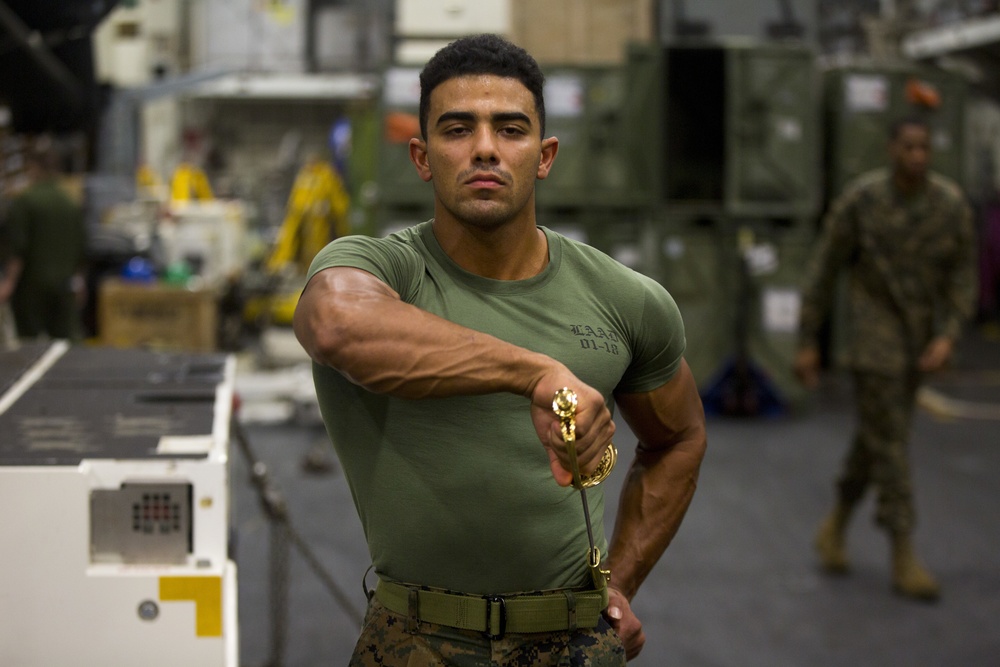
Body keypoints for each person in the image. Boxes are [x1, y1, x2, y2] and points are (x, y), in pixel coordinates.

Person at [294, 34, 707, 665]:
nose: (485, 148)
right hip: (414, 639)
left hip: (572, 635)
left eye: (510, 129)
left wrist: (620, 581)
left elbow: (678, 439)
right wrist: (535, 373)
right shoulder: (384, 268)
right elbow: (337, 326)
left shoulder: (624, 299)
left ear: (544, 156)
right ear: (421, 156)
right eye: (457, 129)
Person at [794, 116, 977, 602]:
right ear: (892, 149)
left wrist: (949, 335)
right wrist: (808, 339)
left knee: (876, 437)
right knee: (891, 442)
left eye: (924, 147)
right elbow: (823, 268)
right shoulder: (862, 200)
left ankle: (833, 526)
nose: (917, 155)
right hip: (873, 338)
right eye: (908, 146)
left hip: (919, 339)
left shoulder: (950, 205)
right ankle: (903, 551)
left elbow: (963, 275)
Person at [0, 138, 88, 341]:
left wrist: (8, 283)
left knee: (28, 342)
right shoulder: (70, 202)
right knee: (66, 342)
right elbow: (81, 246)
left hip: (32, 285)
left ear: (33, 168)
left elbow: (18, 248)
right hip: (64, 282)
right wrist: (79, 280)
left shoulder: (25, 201)